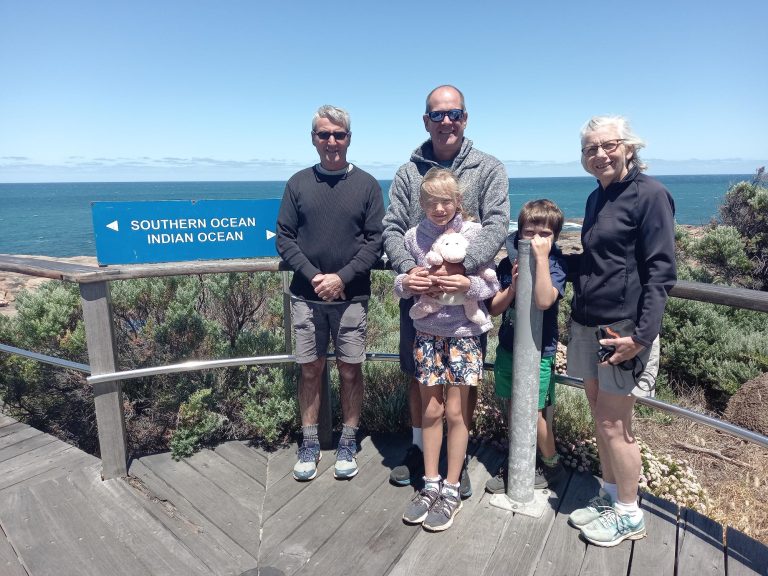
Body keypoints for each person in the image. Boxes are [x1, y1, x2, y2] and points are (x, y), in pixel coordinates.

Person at [382, 85, 510, 496]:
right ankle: (421, 451)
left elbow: (496, 225)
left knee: (461, 385)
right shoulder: (408, 172)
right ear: (426, 121)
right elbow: (392, 228)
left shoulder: (489, 168)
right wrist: (409, 270)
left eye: (453, 113)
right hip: (422, 294)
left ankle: (458, 461)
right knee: (419, 375)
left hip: (466, 298)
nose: (446, 121)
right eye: (437, 115)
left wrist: (463, 269)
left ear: (465, 117)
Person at [566, 116, 676, 546]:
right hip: (588, 322)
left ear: (629, 147)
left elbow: (661, 271)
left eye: (607, 145)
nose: (599, 154)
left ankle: (630, 514)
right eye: (590, 149)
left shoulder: (651, 195)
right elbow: (597, 262)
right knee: (600, 413)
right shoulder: (598, 198)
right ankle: (611, 496)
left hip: (624, 330)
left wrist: (642, 337)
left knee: (616, 424)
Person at [276, 105, 384, 482]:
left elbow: (375, 242)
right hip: (307, 296)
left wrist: (341, 277)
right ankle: (309, 444)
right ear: (314, 139)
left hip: (352, 296)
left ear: (349, 139)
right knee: (310, 370)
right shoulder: (298, 183)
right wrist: (315, 275)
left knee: (351, 370)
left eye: (339, 135)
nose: (332, 142)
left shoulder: (368, 185)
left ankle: (348, 441)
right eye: (324, 134)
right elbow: (285, 238)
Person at [395, 167, 499, 531]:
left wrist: (464, 283)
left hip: (464, 334)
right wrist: (406, 281)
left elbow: (490, 286)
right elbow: (401, 285)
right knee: (430, 410)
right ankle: (430, 484)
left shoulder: (473, 234)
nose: (438, 208)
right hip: (426, 333)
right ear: (421, 203)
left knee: (456, 412)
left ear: (458, 202)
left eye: (446, 201)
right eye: (431, 202)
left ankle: (452, 488)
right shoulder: (412, 237)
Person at [484, 199, 567, 494]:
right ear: (518, 233)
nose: (535, 240)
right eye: (529, 233)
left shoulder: (556, 264)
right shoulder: (507, 265)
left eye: (544, 234)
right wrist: (513, 288)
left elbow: (544, 300)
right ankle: (520, 459)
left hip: (539, 352)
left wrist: (541, 261)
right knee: (512, 407)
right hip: (509, 349)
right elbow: (494, 309)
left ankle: (551, 464)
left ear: (555, 237)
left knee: (533, 411)